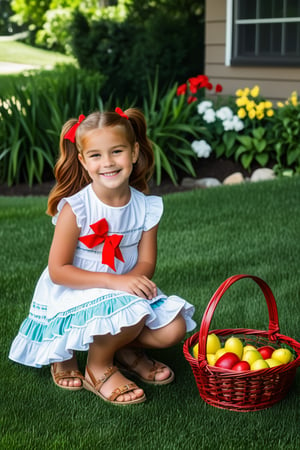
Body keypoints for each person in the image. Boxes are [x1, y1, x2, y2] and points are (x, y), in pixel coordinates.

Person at [9, 107, 196, 405]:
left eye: (117, 151)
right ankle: (97, 368)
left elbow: (147, 261)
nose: (107, 163)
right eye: (95, 155)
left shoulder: (146, 207)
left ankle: (120, 348)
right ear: (83, 161)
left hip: (122, 286)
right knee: (129, 313)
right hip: (74, 288)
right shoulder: (77, 208)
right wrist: (116, 284)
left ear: (134, 153)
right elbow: (58, 270)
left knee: (172, 329)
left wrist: (131, 281)